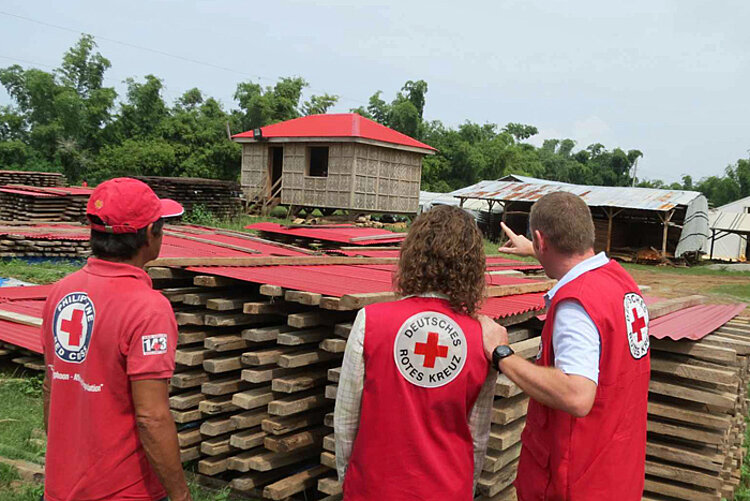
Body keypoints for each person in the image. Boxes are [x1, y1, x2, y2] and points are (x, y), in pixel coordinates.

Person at [480, 192, 650, 501]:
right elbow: (571, 259)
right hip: (616, 471)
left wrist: (502, 354)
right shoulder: (619, 279)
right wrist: (534, 248)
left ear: (542, 240)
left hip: (576, 481)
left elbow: (577, 395)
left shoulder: (576, 304)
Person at [41, 178, 191, 501]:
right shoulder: (148, 308)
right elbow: (152, 417)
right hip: (123, 491)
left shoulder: (60, 292)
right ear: (151, 234)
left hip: (60, 488)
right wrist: (181, 495)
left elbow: (51, 386)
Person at [334, 205, 497, 501]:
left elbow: (346, 418)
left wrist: (348, 479)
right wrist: (466, 487)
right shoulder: (483, 338)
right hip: (448, 489)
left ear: (412, 255)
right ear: (472, 266)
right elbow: (478, 434)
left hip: (374, 487)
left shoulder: (370, 320)